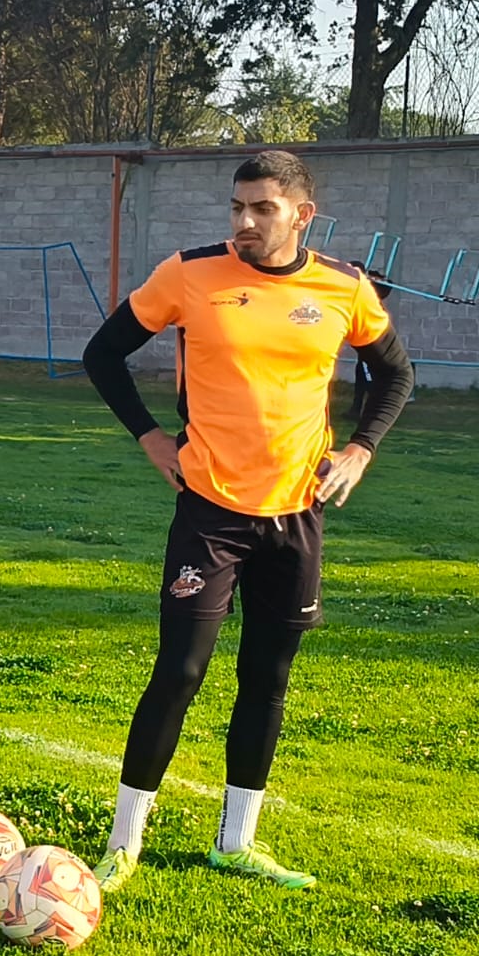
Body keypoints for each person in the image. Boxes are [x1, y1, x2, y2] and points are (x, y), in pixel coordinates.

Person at [81, 150, 414, 894]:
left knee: (267, 677)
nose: (244, 222)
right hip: (210, 510)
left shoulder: (343, 286)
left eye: (262, 209)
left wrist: (360, 448)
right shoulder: (190, 274)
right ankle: (124, 844)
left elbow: (394, 371)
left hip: (296, 515)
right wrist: (149, 435)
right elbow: (103, 354)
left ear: (302, 214)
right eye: (237, 207)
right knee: (181, 672)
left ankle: (236, 843)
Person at [349, 263, 394, 422]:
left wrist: (374, 279)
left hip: (371, 337)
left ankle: (372, 414)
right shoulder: (354, 288)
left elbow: (388, 287)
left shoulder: (371, 284)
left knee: (370, 378)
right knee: (361, 375)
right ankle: (355, 409)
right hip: (362, 340)